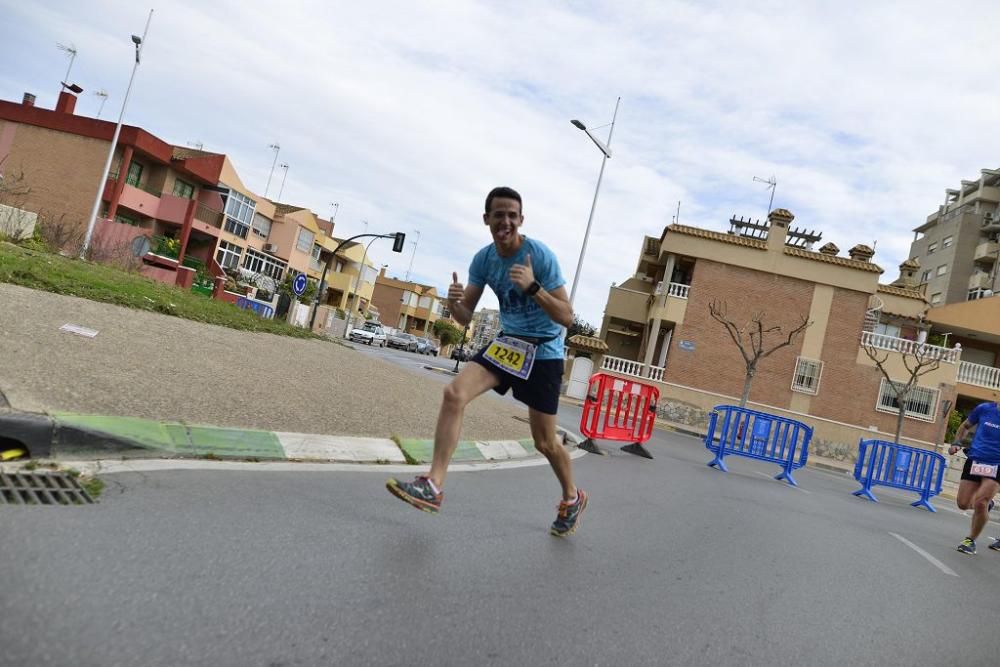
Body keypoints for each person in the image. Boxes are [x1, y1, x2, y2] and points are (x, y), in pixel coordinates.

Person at [386, 186, 587, 537]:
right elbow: (465, 317)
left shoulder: (540, 256)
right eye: (499, 215)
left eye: (512, 215)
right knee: (454, 394)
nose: (506, 221)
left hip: (544, 351)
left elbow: (567, 317)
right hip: (509, 344)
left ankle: (572, 497)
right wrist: (452, 304)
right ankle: (433, 485)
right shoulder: (483, 260)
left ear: (521, 220)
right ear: (487, 220)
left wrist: (534, 288)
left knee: (545, 442)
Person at [949, 399, 1000, 554]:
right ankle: (987, 504)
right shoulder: (984, 409)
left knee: (980, 502)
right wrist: (957, 442)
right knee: (963, 504)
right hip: (975, 460)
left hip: (997, 464)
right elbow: (965, 426)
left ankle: (970, 540)